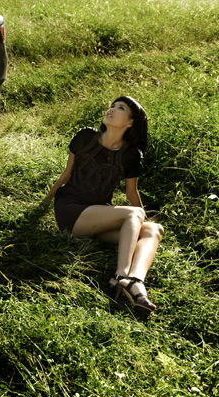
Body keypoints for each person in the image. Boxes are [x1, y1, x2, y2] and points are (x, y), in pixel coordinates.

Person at [43, 96, 164, 314]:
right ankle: (121, 276)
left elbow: (131, 193)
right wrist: (45, 203)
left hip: (98, 218)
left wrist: (142, 218)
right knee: (135, 215)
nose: (112, 109)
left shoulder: (130, 155)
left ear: (130, 123)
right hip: (70, 210)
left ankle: (136, 282)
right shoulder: (86, 136)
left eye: (120, 108)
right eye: (112, 106)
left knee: (154, 229)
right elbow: (66, 174)